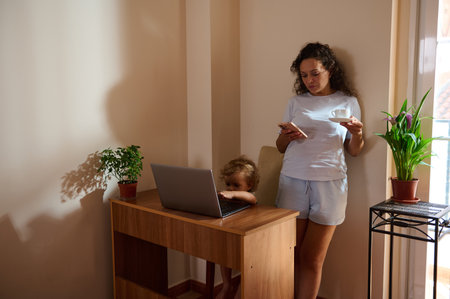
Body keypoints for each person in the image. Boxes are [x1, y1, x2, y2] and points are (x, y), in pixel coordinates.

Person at [275, 42, 364, 299]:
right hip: (292, 180)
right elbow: (280, 146)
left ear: (330, 69)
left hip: (329, 183)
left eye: (315, 73)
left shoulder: (348, 101)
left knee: (312, 258)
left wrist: (357, 133)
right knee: (288, 253)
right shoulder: (296, 102)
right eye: (304, 75)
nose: (309, 80)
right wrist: (288, 135)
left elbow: (354, 150)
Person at [216, 156, 260, 299]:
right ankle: (227, 285)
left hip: (250, 241)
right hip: (232, 235)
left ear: (249, 185)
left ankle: (241, 290)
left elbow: (252, 199)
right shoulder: (230, 195)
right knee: (223, 256)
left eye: (236, 185)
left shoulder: (250, 195)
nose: (231, 188)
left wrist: (233, 193)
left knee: (248, 265)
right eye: (228, 184)